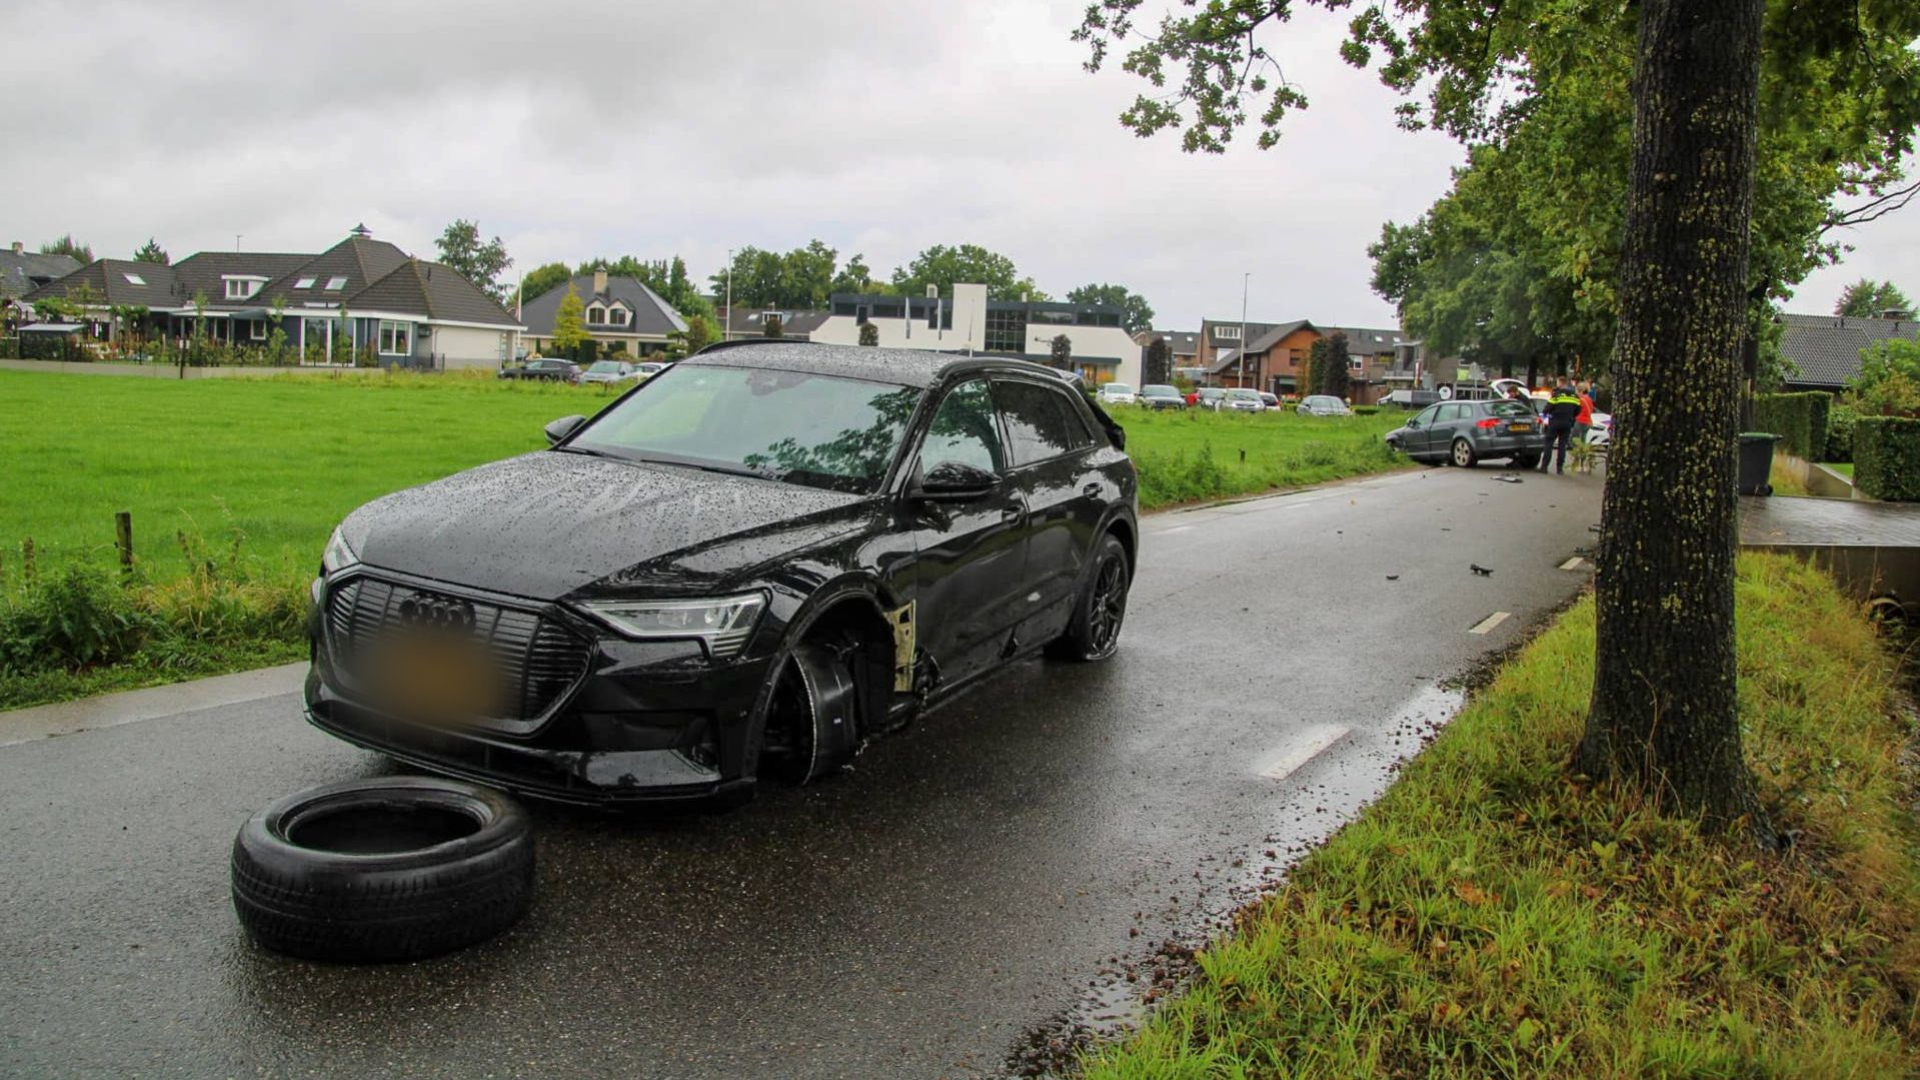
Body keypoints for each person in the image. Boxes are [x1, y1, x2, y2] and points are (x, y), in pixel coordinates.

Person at [1541, 380, 1583, 474]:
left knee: (1549, 443)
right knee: (1562, 445)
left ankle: (1544, 467)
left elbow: (1547, 408)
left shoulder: (1557, 395)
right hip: (1567, 423)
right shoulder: (1574, 396)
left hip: (1555, 422)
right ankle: (1559, 469)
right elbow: (1578, 410)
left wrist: (1546, 414)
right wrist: (1571, 416)